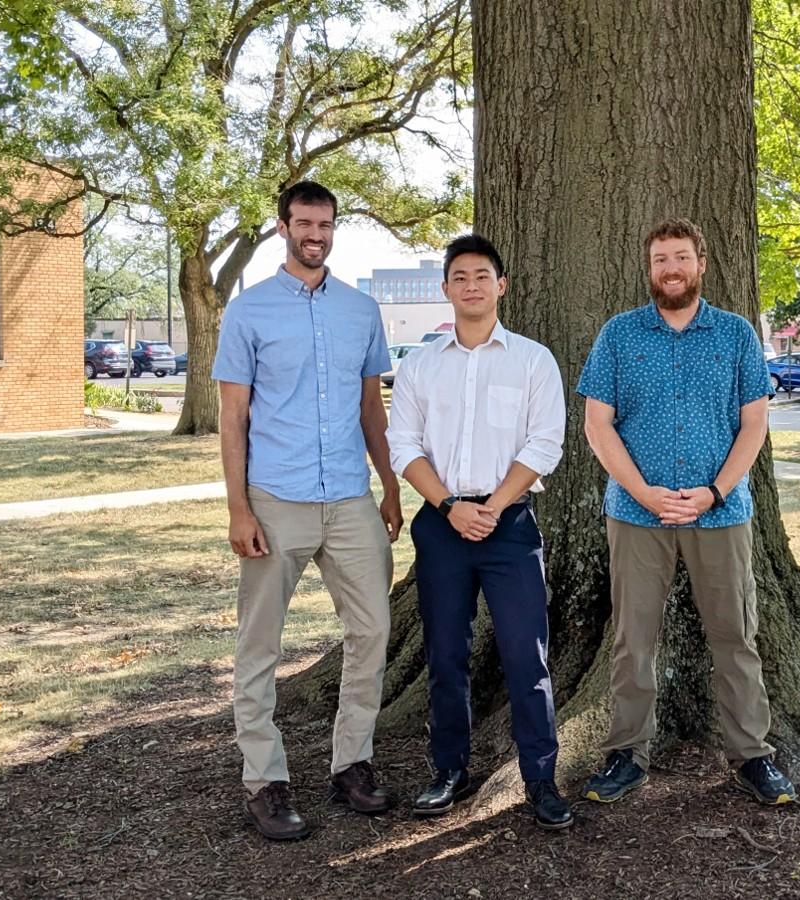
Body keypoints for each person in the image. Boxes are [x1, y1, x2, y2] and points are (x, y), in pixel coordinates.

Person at [575, 217, 798, 807]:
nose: (669, 269)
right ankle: (627, 754)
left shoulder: (736, 335)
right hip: (636, 513)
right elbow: (597, 425)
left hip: (719, 515)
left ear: (701, 263)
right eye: (659, 260)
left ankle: (753, 756)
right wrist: (644, 492)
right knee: (632, 639)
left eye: (680, 257)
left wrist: (716, 491)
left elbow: (755, 424)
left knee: (735, 636)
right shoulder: (619, 336)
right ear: (649, 270)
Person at [214, 180, 404, 841]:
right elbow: (232, 418)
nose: (314, 233)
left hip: (350, 497)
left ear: (333, 228)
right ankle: (264, 780)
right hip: (276, 499)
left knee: (374, 631)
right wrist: (239, 510)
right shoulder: (248, 312)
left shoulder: (360, 311)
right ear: (283, 226)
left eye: (324, 223)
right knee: (258, 645)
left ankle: (351, 763)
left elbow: (371, 410)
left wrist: (390, 486)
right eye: (303, 223)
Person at [385, 234, 573, 830]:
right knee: (446, 654)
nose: (471, 285)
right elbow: (402, 445)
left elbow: (545, 443)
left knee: (527, 656)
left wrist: (491, 506)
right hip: (442, 525)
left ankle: (540, 778)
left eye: (482, 275)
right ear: (446, 288)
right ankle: (449, 771)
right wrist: (449, 507)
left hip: (509, 523)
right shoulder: (419, 364)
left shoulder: (532, 360)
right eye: (459, 276)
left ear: (502, 285)